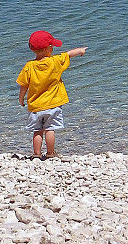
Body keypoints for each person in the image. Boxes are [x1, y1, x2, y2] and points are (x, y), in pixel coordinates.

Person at [17, 30, 87, 159]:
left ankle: (36, 154)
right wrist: (81, 50)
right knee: (50, 129)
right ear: (49, 48)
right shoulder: (55, 61)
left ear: (32, 48)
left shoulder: (29, 66)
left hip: (35, 106)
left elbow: (23, 86)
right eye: (52, 46)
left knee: (37, 131)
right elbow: (69, 54)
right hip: (53, 105)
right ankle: (50, 153)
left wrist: (21, 99)